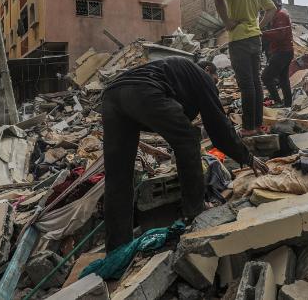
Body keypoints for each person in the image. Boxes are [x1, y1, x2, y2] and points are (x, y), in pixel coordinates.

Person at [101, 57, 268, 251]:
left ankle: (117, 247)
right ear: (207, 70)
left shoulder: (175, 72)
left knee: (118, 175)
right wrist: (247, 157)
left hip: (111, 96)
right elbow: (219, 127)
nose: (214, 87)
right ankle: (195, 209)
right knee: (188, 141)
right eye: (215, 80)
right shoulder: (201, 77)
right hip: (144, 91)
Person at [214, 0, 276, 136]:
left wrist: (227, 22)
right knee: (256, 82)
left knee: (247, 84)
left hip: (239, 38)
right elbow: (271, 9)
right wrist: (259, 25)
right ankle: (256, 125)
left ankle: (248, 128)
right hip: (255, 39)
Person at [261, 0, 294, 107]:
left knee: (266, 77)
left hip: (282, 52)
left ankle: (278, 102)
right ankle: (288, 105)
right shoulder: (279, 14)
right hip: (285, 51)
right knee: (283, 79)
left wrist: (263, 33)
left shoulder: (280, 15)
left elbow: (280, 35)